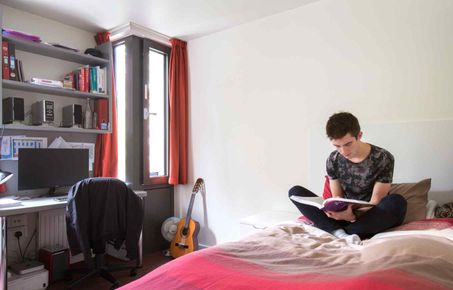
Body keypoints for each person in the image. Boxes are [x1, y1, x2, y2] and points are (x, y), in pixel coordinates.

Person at [289, 112, 407, 243]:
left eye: (348, 144)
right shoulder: (333, 159)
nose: (343, 152)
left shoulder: (383, 158)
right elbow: (337, 197)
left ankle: (339, 231)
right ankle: (342, 232)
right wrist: (336, 212)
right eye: (337, 146)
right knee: (295, 192)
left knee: (397, 202)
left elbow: (376, 200)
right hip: (343, 215)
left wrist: (353, 216)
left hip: (371, 215)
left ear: (359, 136)